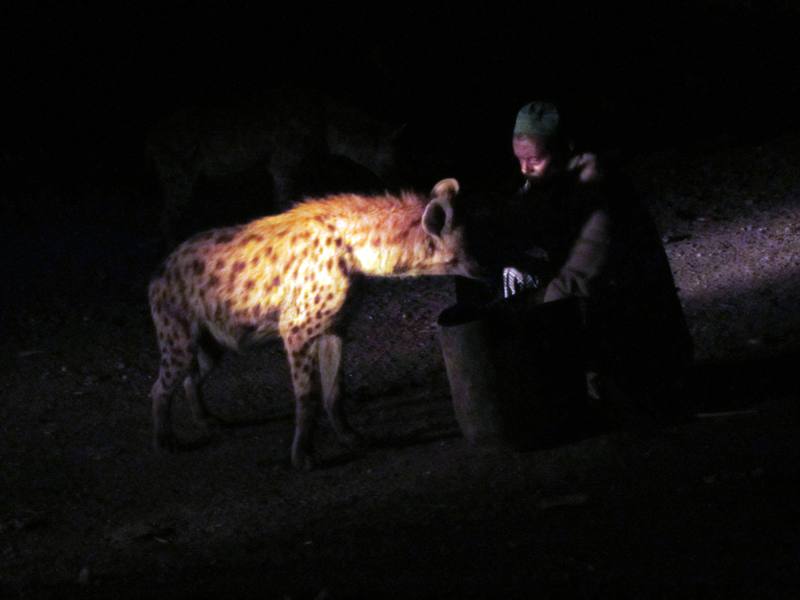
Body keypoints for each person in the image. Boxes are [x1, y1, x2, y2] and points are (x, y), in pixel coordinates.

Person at [457, 100, 694, 419]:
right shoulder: (554, 180)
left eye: (534, 160)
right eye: (520, 160)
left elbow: (576, 280)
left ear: (567, 148)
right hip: (607, 303)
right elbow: (520, 222)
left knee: (546, 304)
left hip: (643, 341)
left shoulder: (598, 189)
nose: (525, 169)